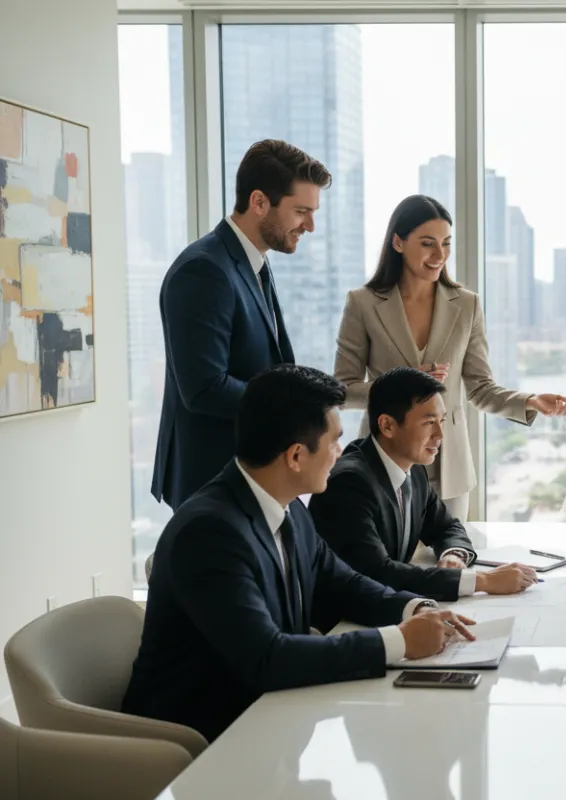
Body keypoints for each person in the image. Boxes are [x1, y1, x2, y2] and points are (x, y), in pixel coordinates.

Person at [123, 365, 475, 743]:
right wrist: (399, 641)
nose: (341, 455)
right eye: (334, 443)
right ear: (295, 456)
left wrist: (417, 609)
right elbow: (266, 658)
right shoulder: (209, 533)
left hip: (271, 714)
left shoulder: (288, 509)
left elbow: (344, 583)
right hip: (203, 739)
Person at [333, 195, 566, 520]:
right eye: (427, 243)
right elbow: (341, 391)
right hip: (383, 460)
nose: (439, 255)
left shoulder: (467, 305)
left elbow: (480, 388)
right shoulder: (363, 304)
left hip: (449, 466)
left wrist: (531, 401)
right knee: (385, 564)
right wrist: (400, 385)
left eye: (446, 243)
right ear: (398, 242)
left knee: (450, 558)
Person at [152, 139, 331, 510]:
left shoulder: (255, 263)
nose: (310, 226)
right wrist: (291, 408)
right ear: (259, 202)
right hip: (214, 482)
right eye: (301, 211)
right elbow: (203, 388)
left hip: (253, 478)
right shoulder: (203, 271)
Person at [308, 367, 538, 624]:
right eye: (429, 423)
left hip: (390, 610)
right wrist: (482, 581)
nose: (440, 435)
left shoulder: (413, 469)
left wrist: (454, 554)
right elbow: (376, 572)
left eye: (441, 421)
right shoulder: (349, 483)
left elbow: (446, 526)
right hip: (342, 626)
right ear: (387, 425)